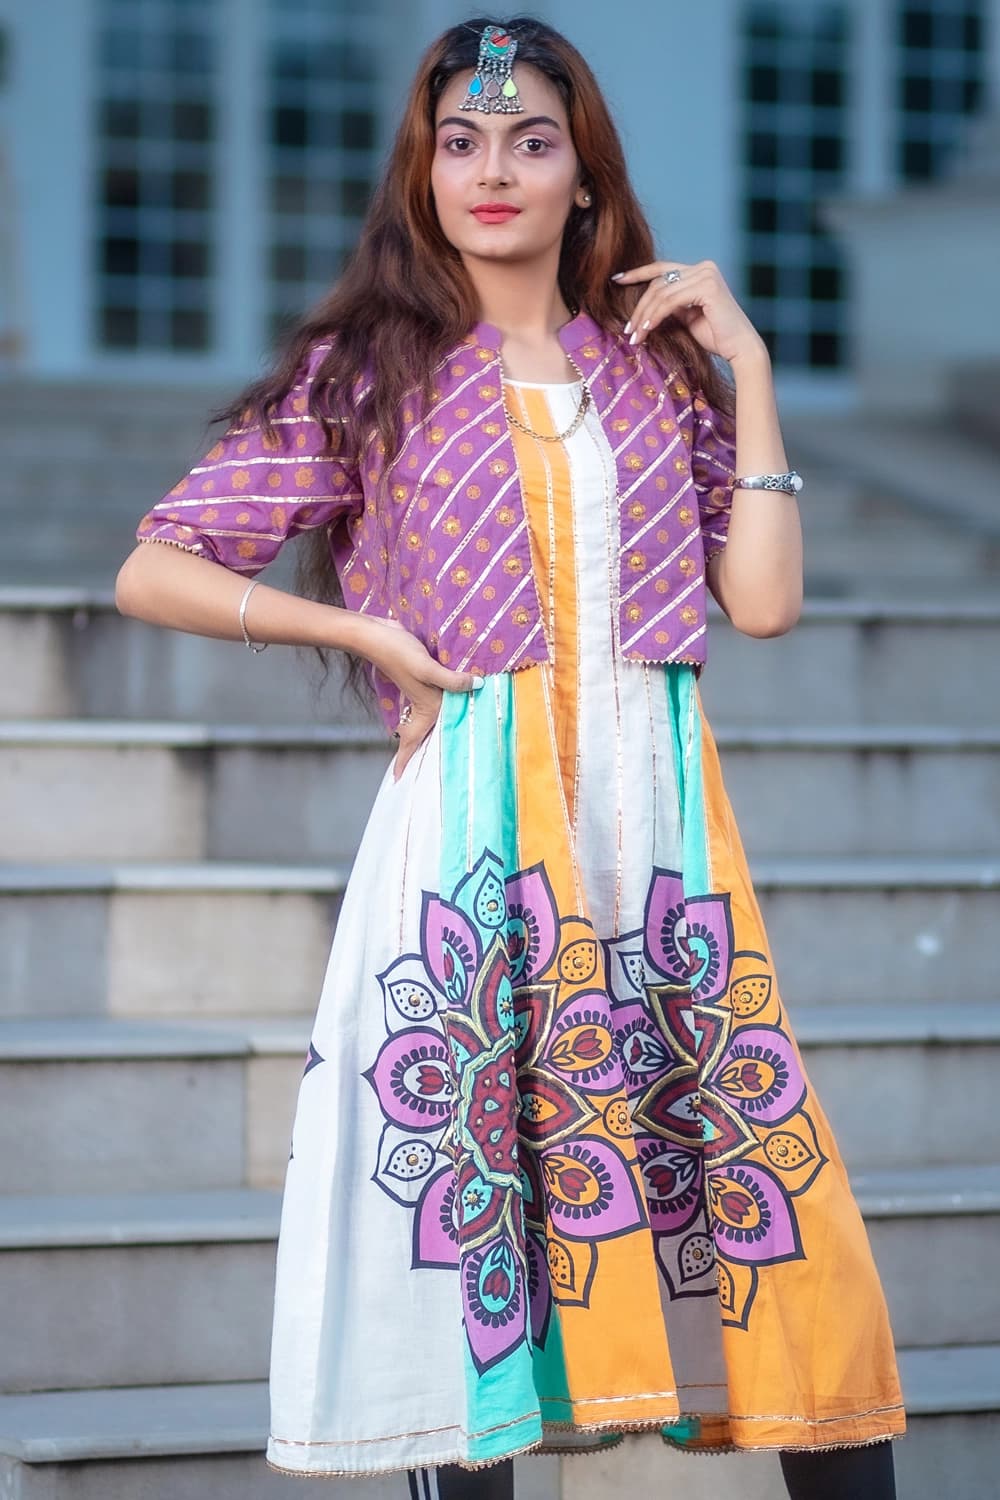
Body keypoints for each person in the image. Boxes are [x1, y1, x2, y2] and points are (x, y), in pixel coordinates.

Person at [114, 16, 905, 1499]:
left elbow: (763, 601)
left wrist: (750, 366)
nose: (493, 170)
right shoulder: (373, 371)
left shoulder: (659, 371)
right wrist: (358, 631)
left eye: (530, 141)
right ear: (424, 173)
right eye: (461, 142)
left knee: (783, 1238)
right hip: (473, 843)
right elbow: (156, 566)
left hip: (654, 842)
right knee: (473, 1251)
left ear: (581, 175)